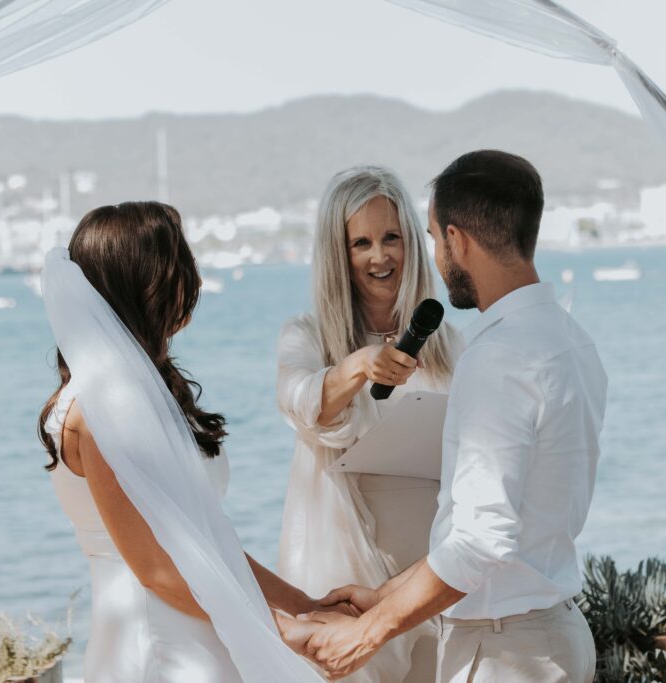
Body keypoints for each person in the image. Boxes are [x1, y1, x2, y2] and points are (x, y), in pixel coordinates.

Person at [298, 150, 608, 683]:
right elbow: (503, 529)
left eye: (435, 238)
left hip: (504, 652)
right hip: (555, 633)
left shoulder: (497, 357)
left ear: (457, 240)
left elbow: (480, 540)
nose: (436, 257)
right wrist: (382, 597)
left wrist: (367, 633)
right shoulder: (570, 340)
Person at [38, 202, 339, 682]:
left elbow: (203, 542)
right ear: (144, 281)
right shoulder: (100, 407)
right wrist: (281, 631)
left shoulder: (139, 391)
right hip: (158, 646)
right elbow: (156, 569)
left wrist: (300, 603)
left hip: (201, 628)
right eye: (179, 263)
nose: (191, 278)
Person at [276, 166, 461, 682]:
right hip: (348, 564)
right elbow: (300, 401)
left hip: (428, 570)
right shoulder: (307, 336)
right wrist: (358, 365)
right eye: (361, 243)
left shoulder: (450, 345)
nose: (380, 257)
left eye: (392, 238)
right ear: (340, 254)